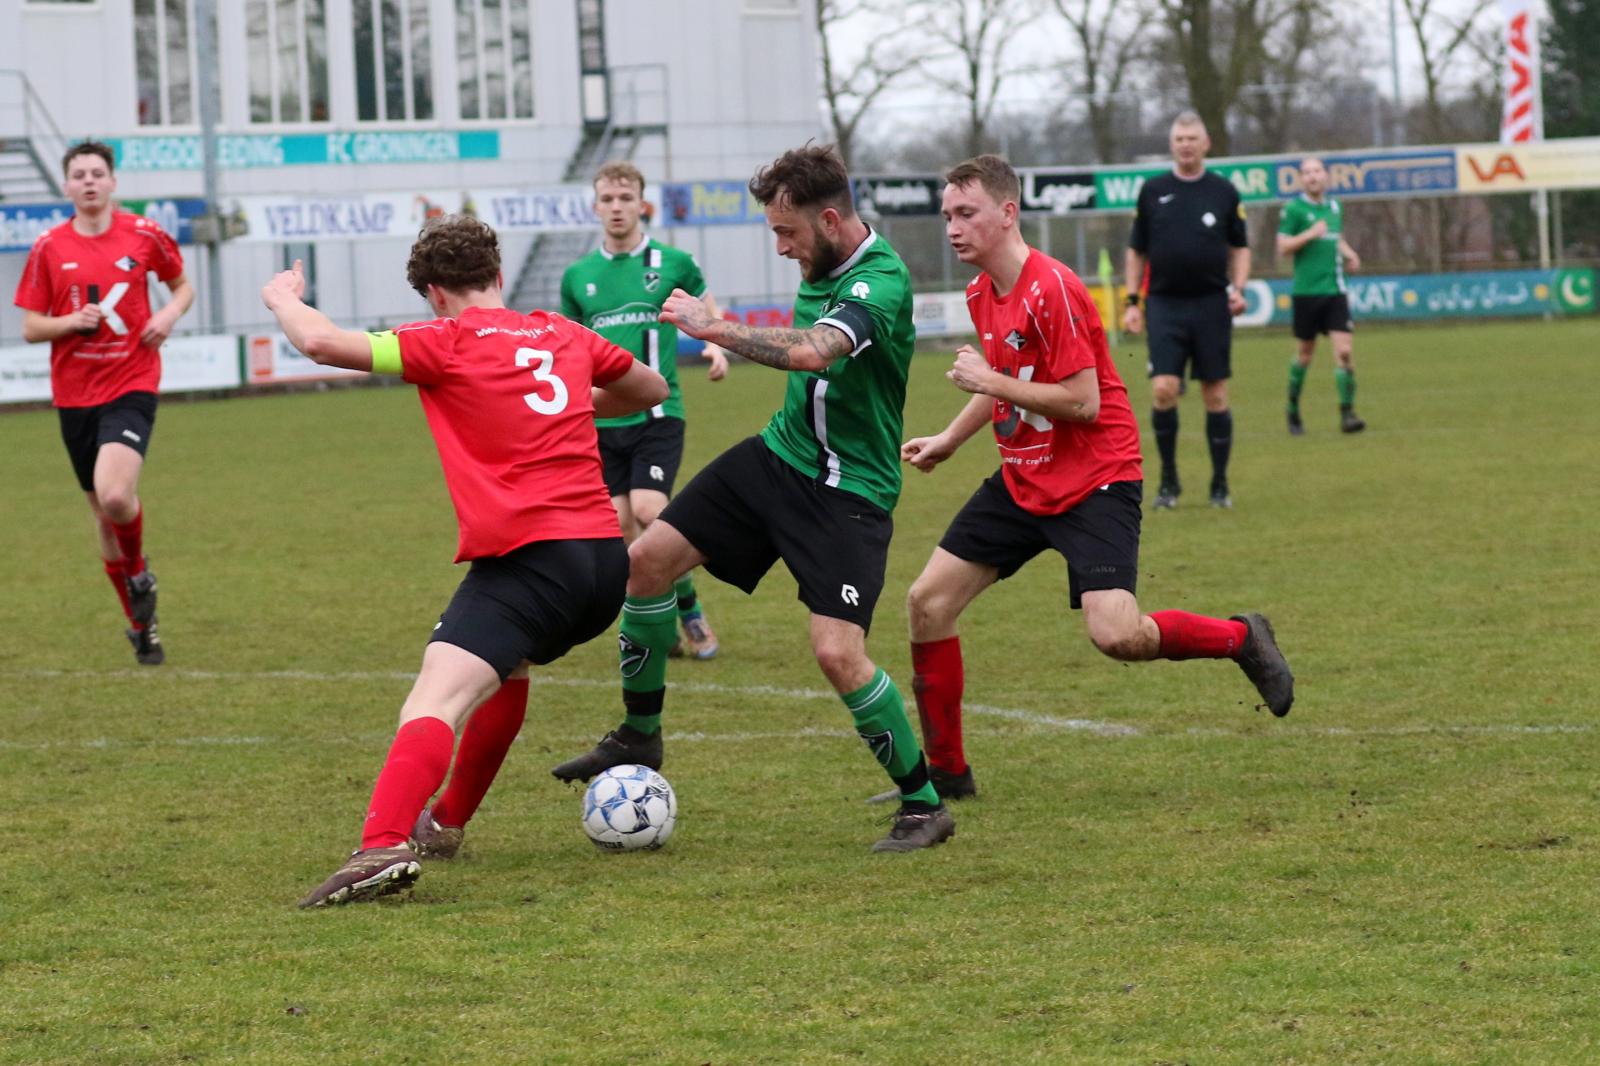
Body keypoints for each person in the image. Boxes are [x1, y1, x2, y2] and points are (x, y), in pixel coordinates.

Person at [550, 143, 956, 853]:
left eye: (787, 233)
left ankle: (924, 805)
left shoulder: (881, 280)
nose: (781, 248)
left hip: (848, 491)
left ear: (830, 220)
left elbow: (812, 352)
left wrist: (714, 329)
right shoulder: (819, 258)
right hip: (778, 456)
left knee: (837, 653)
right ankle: (639, 738)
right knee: (644, 563)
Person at [265, 215, 669, 907]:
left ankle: (380, 845)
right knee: (506, 667)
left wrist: (282, 296)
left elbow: (320, 342)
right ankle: (444, 825)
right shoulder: (559, 332)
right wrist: (575, 401)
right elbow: (653, 389)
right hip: (604, 564)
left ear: (433, 293)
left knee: (435, 697)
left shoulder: (445, 341)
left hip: (532, 560)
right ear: (497, 277)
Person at [900, 155, 1295, 798]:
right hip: (1025, 477)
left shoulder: (1053, 287)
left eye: (965, 213)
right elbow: (1011, 382)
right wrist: (949, 439)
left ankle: (1241, 637)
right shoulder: (981, 292)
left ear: (1008, 213)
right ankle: (946, 774)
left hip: (1095, 479)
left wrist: (990, 381)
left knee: (1118, 635)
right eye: (946, 215)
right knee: (927, 603)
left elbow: (1081, 400)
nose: (952, 227)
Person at [13, 140, 194, 666]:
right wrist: (70, 322)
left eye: (97, 173)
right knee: (100, 510)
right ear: (67, 187)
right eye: (79, 175)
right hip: (74, 394)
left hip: (131, 380)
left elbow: (181, 287)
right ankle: (141, 622)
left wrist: (167, 316)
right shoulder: (49, 246)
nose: (89, 181)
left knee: (115, 496)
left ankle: (138, 571)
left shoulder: (143, 234)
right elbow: (29, 327)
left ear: (112, 182)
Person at [560, 161, 729, 660]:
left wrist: (717, 343)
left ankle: (692, 612)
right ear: (595, 207)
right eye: (607, 199)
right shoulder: (579, 276)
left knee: (650, 508)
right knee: (621, 527)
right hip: (602, 418)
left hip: (658, 411)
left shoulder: (672, 262)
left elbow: (703, 303)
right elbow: (570, 345)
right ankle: (663, 630)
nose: (616, 207)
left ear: (641, 204)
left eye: (625, 198)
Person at [1122, 111, 1251, 510]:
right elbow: (1136, 249)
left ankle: (1219, 484)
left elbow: (1240, 247)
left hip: (1211, 305)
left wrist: (1239, 288)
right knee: (1163, 389)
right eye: (1179, 138)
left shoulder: (1225, 192)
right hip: (1164, 304)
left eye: (1192, 138)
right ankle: (1169, 482)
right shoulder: (1152, 190)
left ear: (1206, 143)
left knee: (1215, 394)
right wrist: (1132, 301)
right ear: (1172, 144)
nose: (1186, 144)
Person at [1278, 157, 1365, 435]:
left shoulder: (1335, 207)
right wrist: (1309, 234)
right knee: (1304, 355)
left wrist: (1349, 253)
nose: (1312, 176)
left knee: (1344, 351)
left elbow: (1335, 237)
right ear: (1301, 179)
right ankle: (1292, 408)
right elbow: (1283, 247)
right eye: (1306, 173)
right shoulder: (1293, 209)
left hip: (1334, 290)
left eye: (1317, 171)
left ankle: (1347, 413)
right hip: (1306, 293)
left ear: (1326, 176)